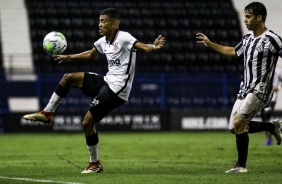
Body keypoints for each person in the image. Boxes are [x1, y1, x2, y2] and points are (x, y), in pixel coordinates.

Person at [23, 8, 166, 174]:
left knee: (87, 123)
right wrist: (68, 57)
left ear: (114, 24)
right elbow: (90, 55)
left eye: (103, 21)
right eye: (99, 21)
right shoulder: (102, 42)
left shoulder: (124, 37)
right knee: (68, 78)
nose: (100, 24)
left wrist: (154, 47)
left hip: (118, 89)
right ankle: (47, 113)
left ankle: (95, 164)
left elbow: (143, 47)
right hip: (107, 81)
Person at [196, 2, 282, 173]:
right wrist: (211, 44)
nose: (245, 20)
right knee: (234, 128)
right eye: (244, 16)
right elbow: (233, 52)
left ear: (259, 18)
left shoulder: (272, 39)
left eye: (248, 16)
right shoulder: (247, 39)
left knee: (239, 123)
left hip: (260, 89)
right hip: (244, 89)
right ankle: (271, 127)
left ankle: (241, 166)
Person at [259, 67, 282, 146]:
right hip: (262, 97)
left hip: (272, 98)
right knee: (263, 119)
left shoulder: (278, 70)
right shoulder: (264, 67)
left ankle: (270, 138)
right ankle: (269, 138)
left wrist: (278, 87)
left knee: (266, 117)